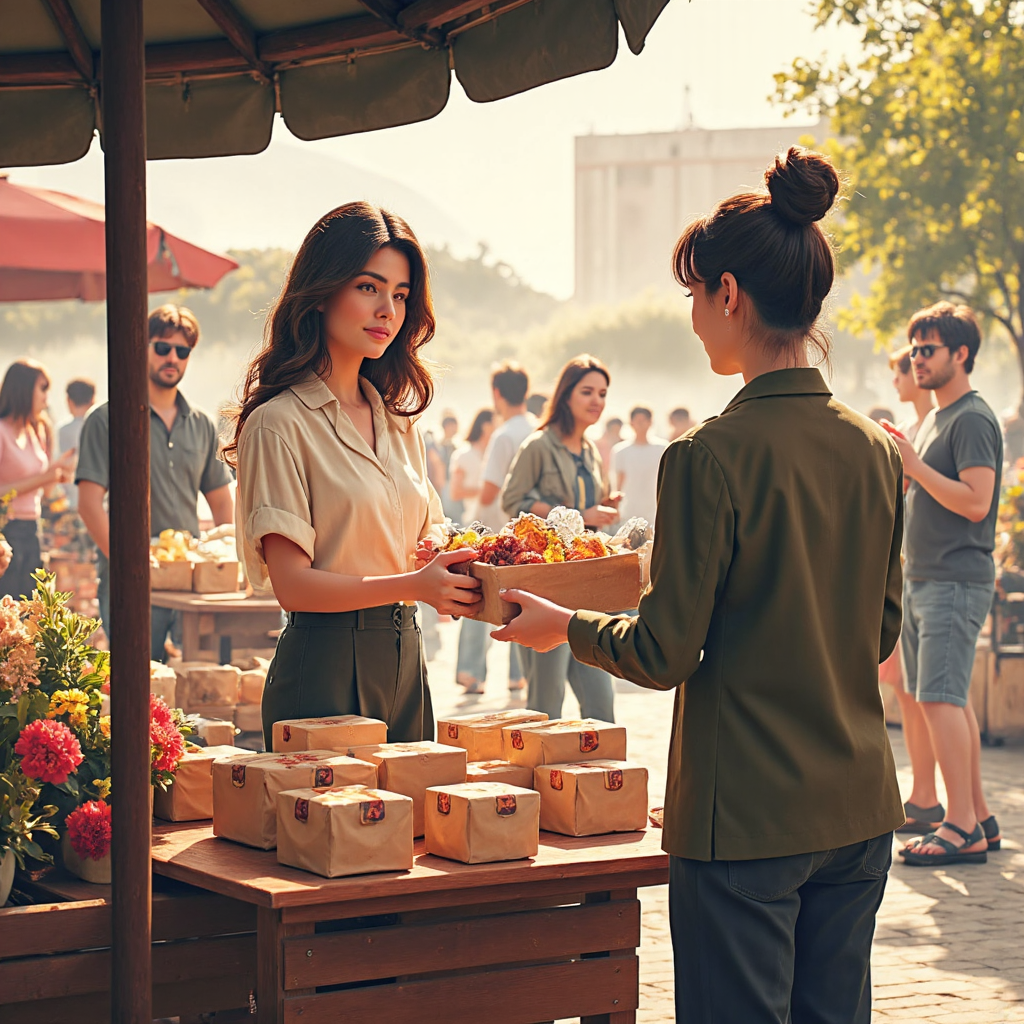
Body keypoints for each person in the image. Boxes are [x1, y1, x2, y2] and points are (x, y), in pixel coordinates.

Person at [493, 147, 904, 1023]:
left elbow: (665, 649)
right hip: (860, 805)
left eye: (692, 296)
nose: (690, 319)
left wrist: (563, 624)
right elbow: (879, 635)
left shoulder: (706, 457)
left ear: (728, 294)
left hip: (745, 816)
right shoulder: (873, 448)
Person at [226, 202, 482, 746]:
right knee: (334, 829)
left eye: (401, 294)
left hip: (407, 657)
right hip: (324, 664)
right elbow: (292, 586)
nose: (387, 309)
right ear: (322, 291)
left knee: (413, 827)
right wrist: (416, 584)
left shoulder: (398, 422)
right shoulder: (278, 424)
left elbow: (428, 535)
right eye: (369, 287)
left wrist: (450, 565)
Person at [882, 302, 1002, 866]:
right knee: (946, 701)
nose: (916, 359)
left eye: (927, 350)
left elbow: (977, 504)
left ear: (961, 354)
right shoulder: (935, 417)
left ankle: (960, 827)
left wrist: (914, 466)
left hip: (955, 579)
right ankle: (976, 815)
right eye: (913, 350)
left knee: (937, 698)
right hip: (928, 579)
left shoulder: (973, 418)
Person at [76, 305, 235, 659]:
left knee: (197, 683)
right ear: (142, 348)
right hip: (130, 583)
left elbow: (222, 502)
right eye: (163, 348)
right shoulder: (106, 419)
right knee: (138, 686)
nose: (172, 358)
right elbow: (88, 504)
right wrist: (128, 562)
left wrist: (224, 564)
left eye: (182, 351)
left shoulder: (203, 424)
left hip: (190, 583)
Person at [501, 355, 621, 722]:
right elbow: (513, 502)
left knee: (601, 707)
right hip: (546, 591)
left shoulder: (590, 452)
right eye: (587, 391)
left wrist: (601, 505)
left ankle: (603, 779)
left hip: (589, 592)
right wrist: (579, 515)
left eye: (602, 393)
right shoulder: (538, 445)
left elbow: (585, 510)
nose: (596, 401)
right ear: (566, 395)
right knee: (545, 706)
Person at [878, 345, 940, 835]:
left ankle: (931, 795)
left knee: (927, 695)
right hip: (910, 571)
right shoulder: (917, 429)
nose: (907, 372)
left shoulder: (932, 428)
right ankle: (923, 793)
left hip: (931, 575)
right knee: (906, 692)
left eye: (917, 360)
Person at [461, 361, 538, 696]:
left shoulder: (503, 435)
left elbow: (490, 491)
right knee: (523, 603)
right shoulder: (538, 429)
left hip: (497, 535)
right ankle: (517, 676)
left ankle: (471, 673)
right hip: (531, 537)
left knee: (477, 601)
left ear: (496, 394)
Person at [0, 360, 76, 598]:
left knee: (31, 608)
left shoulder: (37, 430)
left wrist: (57, 473)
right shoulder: (2, 431)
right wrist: (44, 477)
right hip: (7, 531)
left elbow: (43, 488)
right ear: (23, 390)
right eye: (42, 389)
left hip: (33, 529)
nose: (46, 398)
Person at [450, 408, 495, 693]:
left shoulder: (494, 453)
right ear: (485, 425)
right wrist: (485, 489)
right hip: (473, 531)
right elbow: (455, 492)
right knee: (475, 601)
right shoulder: (465, 454)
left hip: (496, 532)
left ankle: (477, 673)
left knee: (492, 606)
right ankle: (468, 671)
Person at [611, 405, 668, 526]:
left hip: (655, 509)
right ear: (631, 423)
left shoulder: (662, 449)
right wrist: (616, 508)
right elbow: (618, 483)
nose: (641, 425)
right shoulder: (621, 451)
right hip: (629, 509)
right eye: (638, 421)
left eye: (644, 421)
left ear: (650, 423)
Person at [58, 378, 96, 513]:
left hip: (73, 501)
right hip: (99, 501)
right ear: (93, 399)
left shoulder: (63, 431)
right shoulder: (100, 426)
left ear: (69, 401)